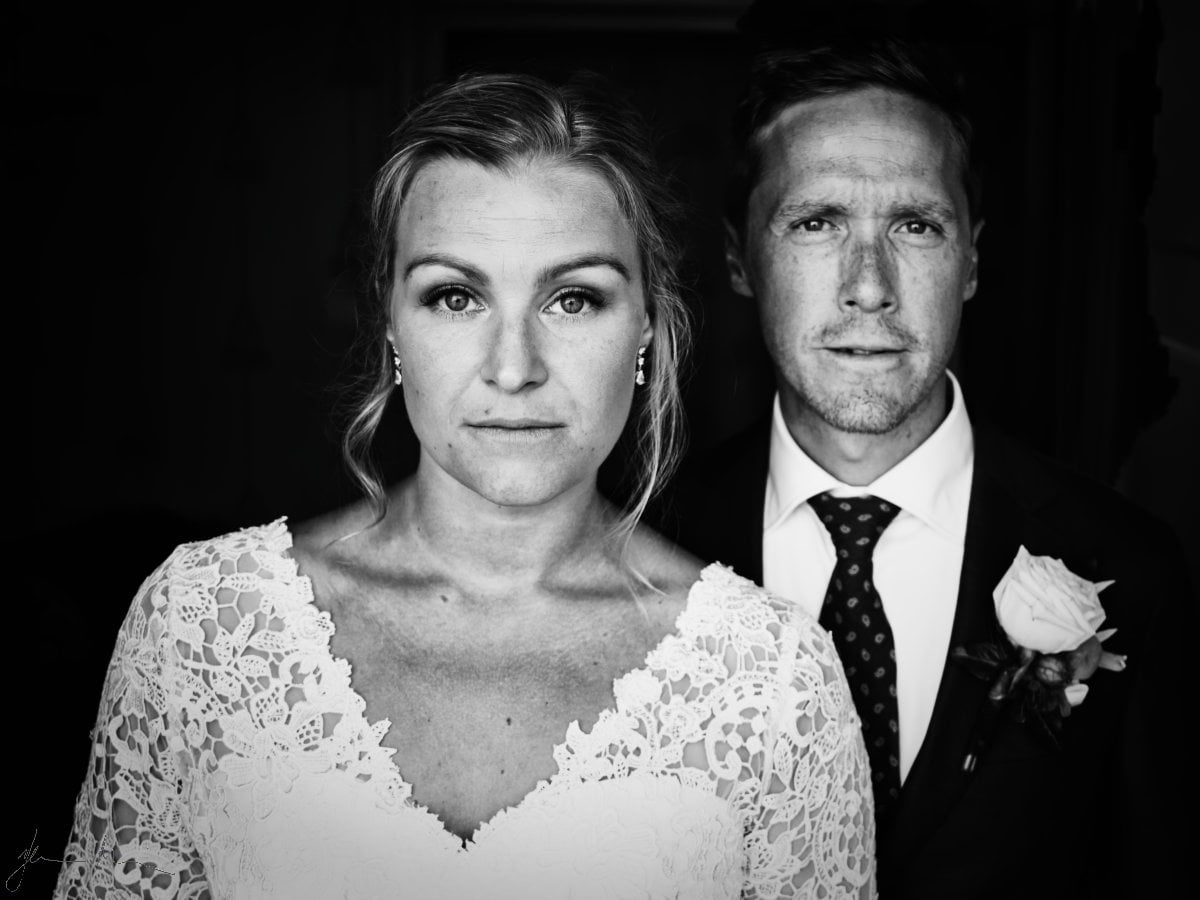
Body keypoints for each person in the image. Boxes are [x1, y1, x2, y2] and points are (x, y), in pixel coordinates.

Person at [54, 73, 875, 899]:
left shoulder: (774, 680)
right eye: (455, 296)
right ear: (389, 320)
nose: (513, 368)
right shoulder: (201, 627)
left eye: (573, 298)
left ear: (649, 324)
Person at [665, 38, 1193, 899]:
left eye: (915, 225)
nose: (868, 286)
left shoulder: (1133, 569)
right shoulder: (646, 540)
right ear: (739, 260)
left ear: (973, 259)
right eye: (815, 222)